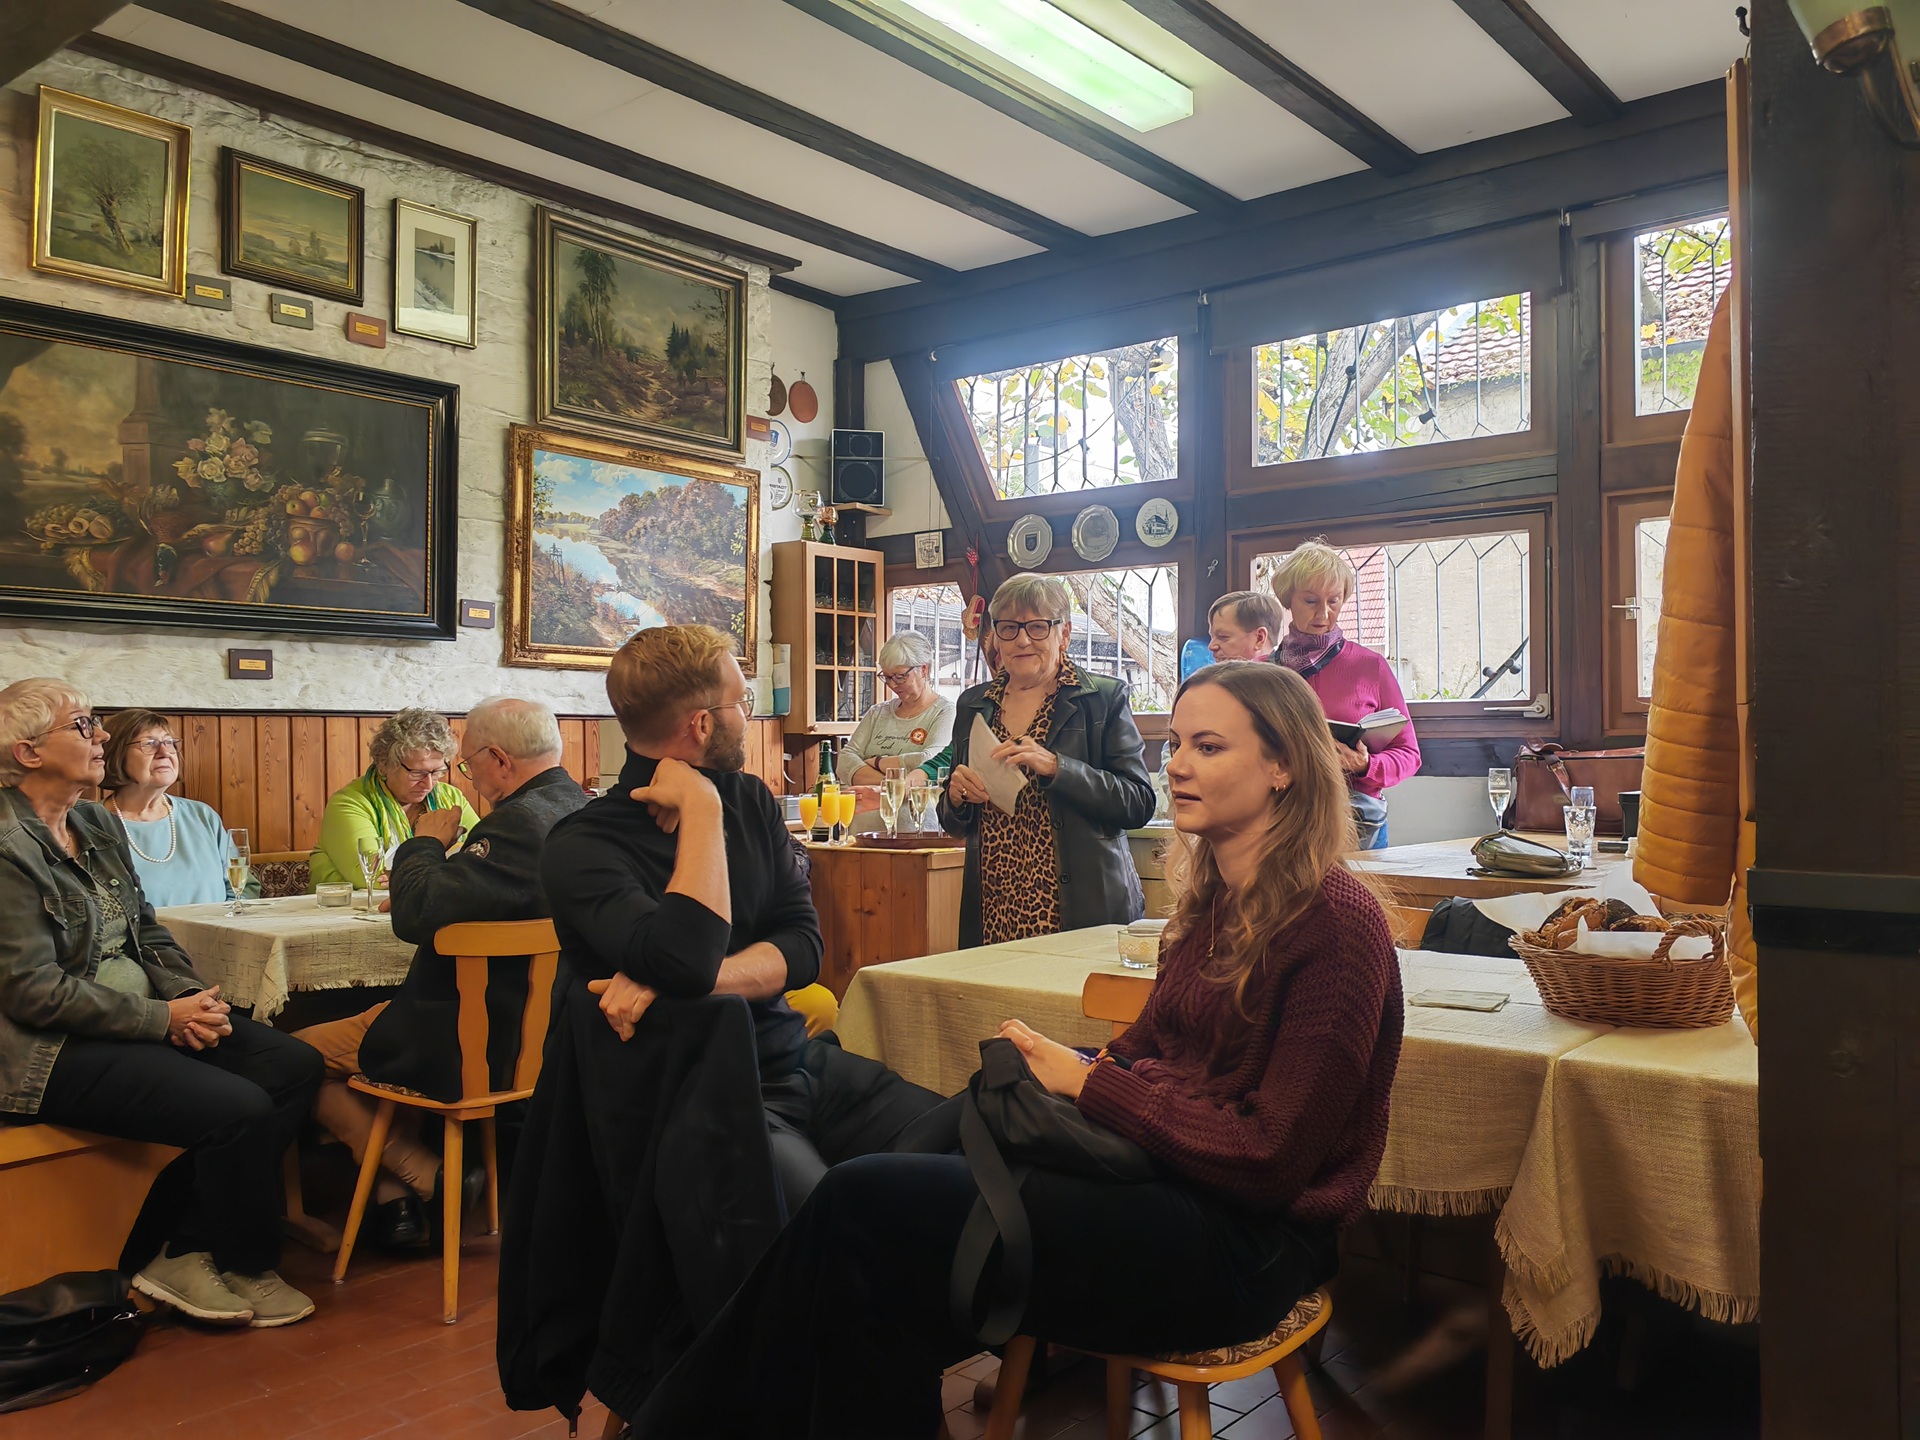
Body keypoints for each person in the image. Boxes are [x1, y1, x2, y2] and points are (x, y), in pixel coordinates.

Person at [631, 660, 1405, 1439]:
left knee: (859, 1205)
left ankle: (667, 1425)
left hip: (1247, 1247)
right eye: (1176, 743)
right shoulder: (1214, 903)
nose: (1174, 764)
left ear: (1283, 767)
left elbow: (1271, 1158)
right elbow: (1143, 1050)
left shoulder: (1335, 924)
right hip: (1167, 1189)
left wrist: (1089, 1084)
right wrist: (1066, 1068)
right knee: (873, 1285)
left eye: (1208, 747)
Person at [543, 624, 940, 1212]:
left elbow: (805, 949)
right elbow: (684, 955)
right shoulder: (583, 845)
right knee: (832, 1217)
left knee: (963, 1142)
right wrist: (702, 809)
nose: (749, 716)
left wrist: (690, 978)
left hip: (793, 1061)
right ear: (702, 725)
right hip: (695, 1097)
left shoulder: (750, 801)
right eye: (742, 703)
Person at [0, 679, 322, 1328]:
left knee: (292, 1066)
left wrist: (188, 1000)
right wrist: (161, 1020)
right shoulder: (7, 847)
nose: (101, 738)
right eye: (85, 726)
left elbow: (146, 930)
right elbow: (30, 989)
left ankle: (182, 1245)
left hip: (142, 1018)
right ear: (29, 753)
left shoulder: (92, 821)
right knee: (236, 1106)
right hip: (45, 1050)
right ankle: (240, 1259)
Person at [292, 699, 589, 1251]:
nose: (463, 779)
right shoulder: (580, 809)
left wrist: (424, 842)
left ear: (499, 758)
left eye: (467, 764)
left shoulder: (519, 824)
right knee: (366, 1042)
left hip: (468, 1038)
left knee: (289, 1058)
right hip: (546, 1030)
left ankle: (427, 1177)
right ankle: (397, 1199)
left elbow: (415, 913)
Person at [939, 575, 1155, 946]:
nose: (1022, 640)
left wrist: (1059, 768)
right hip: (994, 908)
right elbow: (955, 823)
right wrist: (956, 796)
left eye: (1038, 627)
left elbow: (1138, 803)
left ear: (1064, 634)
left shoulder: (1102, 698)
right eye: (1009, 628)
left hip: (1080, 910)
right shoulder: (974, 704)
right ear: (996, 637)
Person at [1269, 539, 1421, 849]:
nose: (1324, 613)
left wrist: (1366, 765)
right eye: (1310, 601)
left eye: (1334, 601)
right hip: (1277, 821)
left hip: (1356, 824)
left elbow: (1409, 755)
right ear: (1288, 599)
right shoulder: (1262, 672)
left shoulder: (1370, 666)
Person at [309, 708, 479, 887]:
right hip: (341, 911)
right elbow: (373, 877)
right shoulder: (349, 804)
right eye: (416, 773)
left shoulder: (450, 797)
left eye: (437, 772)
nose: (429, 785)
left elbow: (485, 853)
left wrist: (405, 872)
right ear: (384, 765)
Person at [98, 709, 243, 907]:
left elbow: (240, 889)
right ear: (117, 754)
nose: (164, 752)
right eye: (149, 743)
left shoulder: (203, 816)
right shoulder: (92, 824)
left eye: (169, 742)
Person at [837, 631, 955, 786]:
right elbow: (845, 761)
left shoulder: (945, 712)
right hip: (862, 808)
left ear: (923, 670)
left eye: (900, 677)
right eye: (886, 677)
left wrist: (877, 762)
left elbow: (930, 761)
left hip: (913, 809)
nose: (892, 684)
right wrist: (894, 785)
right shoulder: (877, 713)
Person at [1206, 588, 1285, 664]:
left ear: (1259, 638)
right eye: (1212, 637)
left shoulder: (1277, 677)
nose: (1211, 646)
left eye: (1223, 637)